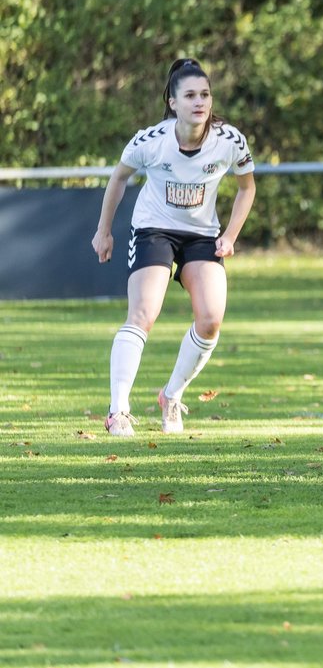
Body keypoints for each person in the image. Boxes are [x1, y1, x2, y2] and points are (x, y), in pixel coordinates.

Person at [91, 58, 256, 436]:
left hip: (201, 235)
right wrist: (104, 231)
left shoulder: (229, 141)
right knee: (144, 314)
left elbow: (247, 187)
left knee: (211, 319)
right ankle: (118, 411)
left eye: (206, 94)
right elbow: (118, 178)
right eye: (190, 95)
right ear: (172, 102)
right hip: (154, 229)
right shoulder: (151, 141)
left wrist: (230, 235)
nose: (200, 102)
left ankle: (171, 396)